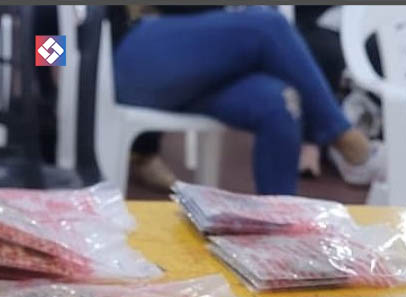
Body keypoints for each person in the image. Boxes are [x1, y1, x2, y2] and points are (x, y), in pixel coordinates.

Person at [110, 6, 382, 195]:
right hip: (125, 48)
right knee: (268, 25)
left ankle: (280, 230)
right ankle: (343, 136)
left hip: (194, 60)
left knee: (279, 102)